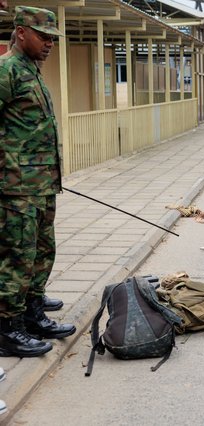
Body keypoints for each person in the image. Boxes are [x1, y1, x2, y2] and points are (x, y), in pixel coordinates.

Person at [0, 6, 76, 358]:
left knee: (41, 252)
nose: (49, 44)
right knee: (17, 256)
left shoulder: (31, 68)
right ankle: (7, 328)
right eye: (43, 36)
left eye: (52, 38)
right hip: (15, 188)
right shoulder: (7, 70)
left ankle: (32, 313)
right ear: (20, 32)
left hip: (41, 183)